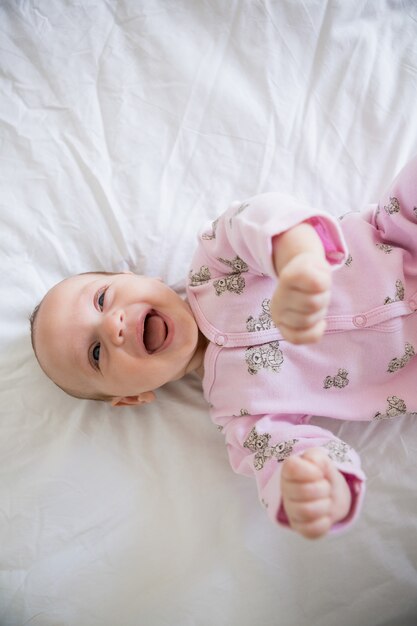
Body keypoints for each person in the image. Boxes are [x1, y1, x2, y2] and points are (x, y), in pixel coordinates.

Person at [30, 157, 417, 539]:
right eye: (95, 353)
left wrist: (297, 257)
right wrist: (312, 485)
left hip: (401, 237)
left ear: (137, 277)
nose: (111, 325)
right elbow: (278, 455)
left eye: (101, 300)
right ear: (130, 397)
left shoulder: (214, 265)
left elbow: (254, 220)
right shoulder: (240, 415)